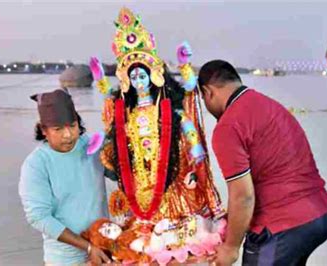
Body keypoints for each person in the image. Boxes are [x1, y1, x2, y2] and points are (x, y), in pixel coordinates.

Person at [86, 7, 226, 264]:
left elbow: (186, 117)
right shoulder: (125, 114)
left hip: (170, 181)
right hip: (139, 185)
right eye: (134, 76)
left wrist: (195, 149)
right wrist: (102, 144)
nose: (139, 80)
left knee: (181, 244)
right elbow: (114, 136)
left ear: (154, 75)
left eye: (143, 74)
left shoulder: (166, 108)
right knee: (142, 243)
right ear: (127, 81)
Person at [198, 60, 327, 266]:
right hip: (321, 215)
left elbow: (243, 196)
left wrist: (230, 248)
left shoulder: (228, 126)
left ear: (208, 92)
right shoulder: (268, 105)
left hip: (283, 226)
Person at [18, 88, 111, 265]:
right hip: (65, 259)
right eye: (58, 129)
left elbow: (117, 175)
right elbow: (38, 218)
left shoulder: (92, 147)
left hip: (105, 248)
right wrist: (88, 248)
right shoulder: (36, 164)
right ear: (44, 130)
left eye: (72, 126)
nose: (67, 135)